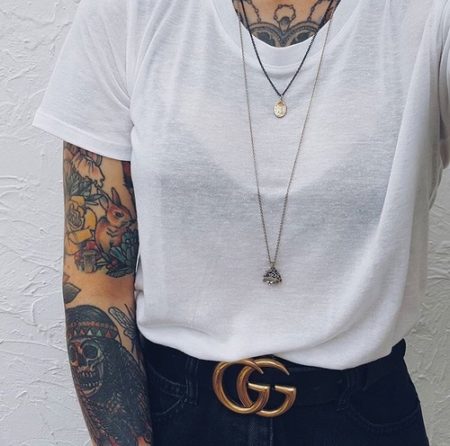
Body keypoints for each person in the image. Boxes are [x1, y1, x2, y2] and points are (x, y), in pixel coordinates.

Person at [31, 0, 450, 444]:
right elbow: (96, 279)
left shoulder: (429, 15)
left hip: (362, 415)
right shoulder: (131, 11)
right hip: (175, 413)